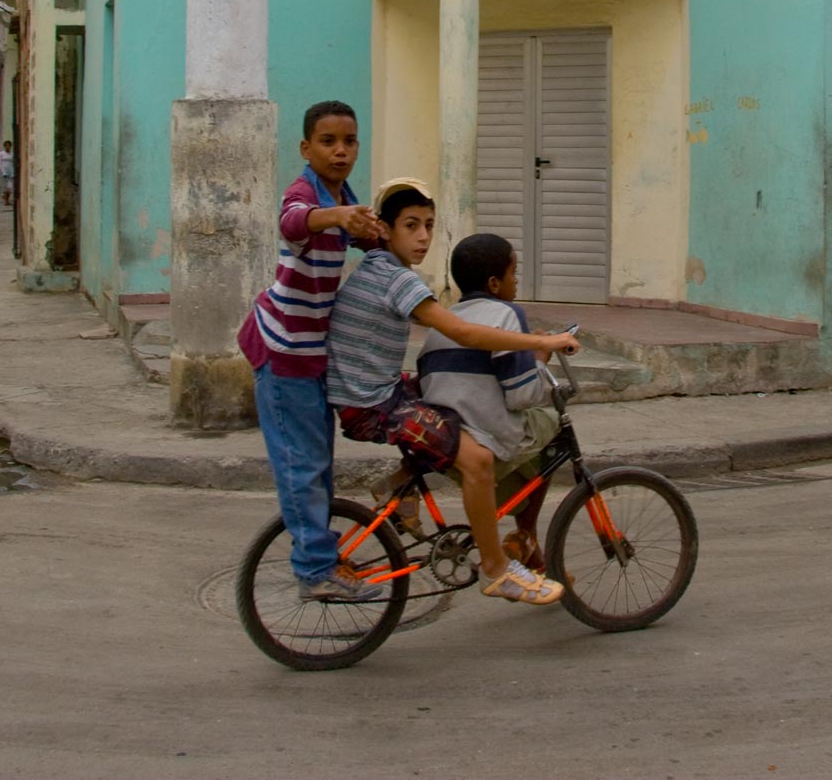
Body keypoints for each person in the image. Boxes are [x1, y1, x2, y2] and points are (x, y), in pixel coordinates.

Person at [326, 179, 579, 607]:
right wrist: (542, 342)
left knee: (447, 409)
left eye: (428, 225)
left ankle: (401, 485)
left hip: (375, 393)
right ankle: (496, 569)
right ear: (385, 229)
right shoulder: (397, 279)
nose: (423, 236)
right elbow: (464, 332)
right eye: (411, 225)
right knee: (477, 459)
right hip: (373, 404)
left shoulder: (377, 267)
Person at [235, 101, 386, 603]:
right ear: (306, 148)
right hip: (284, 352)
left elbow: (361, 237)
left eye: (349, 141)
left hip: (314, 350)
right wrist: (338, 217)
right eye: (328, 142)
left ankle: (322, 552)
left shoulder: (344, 196)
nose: (341, 151)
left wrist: (380, 235)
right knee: (300, 465)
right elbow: (295, 223)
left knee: (319, 462)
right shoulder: (305, 195)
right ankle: (315, 571)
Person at [417, 233, 562, 575]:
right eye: (514, 273)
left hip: (448, 439)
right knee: (553, 425)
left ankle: (531, 551)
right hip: (484, 437)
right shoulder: (507, 314)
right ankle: (526, 536)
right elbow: (522, 395)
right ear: (495, 283)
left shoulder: (444, 323)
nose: (517, 281)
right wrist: (539, 359)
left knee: (530, 442)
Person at [0, 141, 15, 206]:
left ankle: (8, 199)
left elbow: (13, 163)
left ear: (10, 146)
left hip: (10, 171)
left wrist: (13, 173)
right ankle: (5, 200)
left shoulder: (12, 154)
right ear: (4, 146)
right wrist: (3, 171)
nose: (7, 147)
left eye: (9, 146)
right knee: (4, 187)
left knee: (9, 187)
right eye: (6, 146)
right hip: (3, 171)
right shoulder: (1, 153)